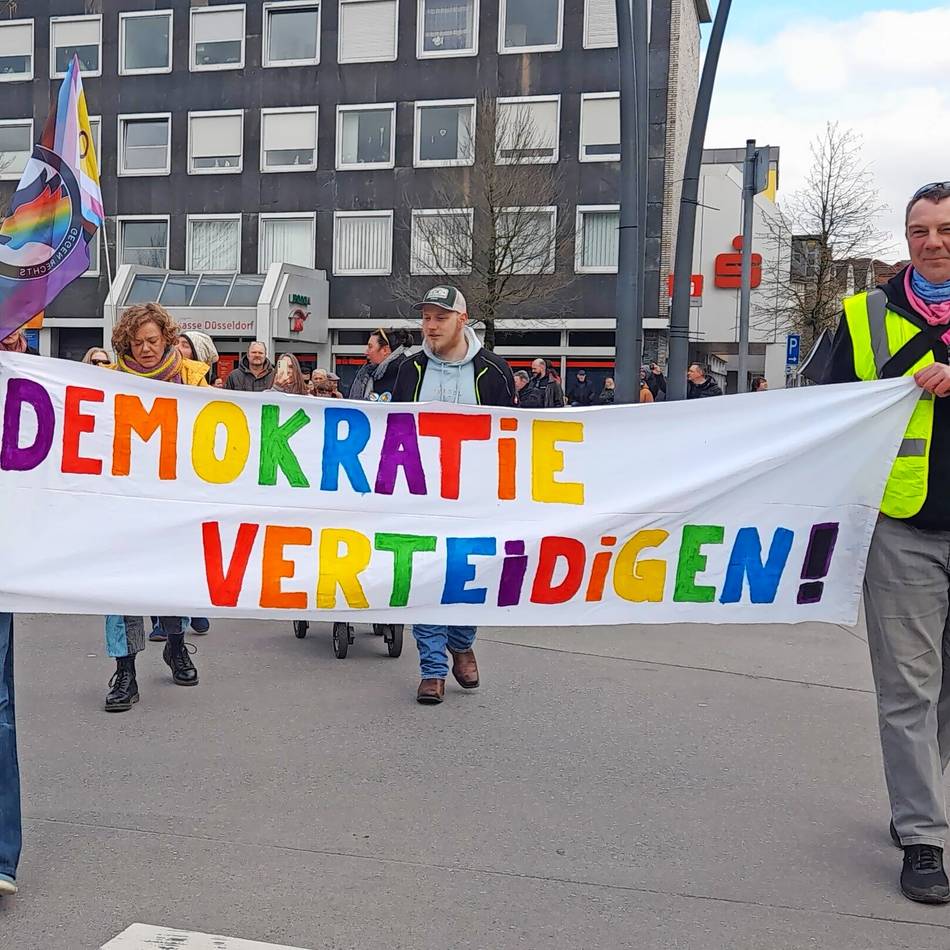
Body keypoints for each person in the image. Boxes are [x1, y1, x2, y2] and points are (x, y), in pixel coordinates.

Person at [827, 182, 950, 904]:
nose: (932, 241)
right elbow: (824, 414)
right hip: (901, 527)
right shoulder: (863, 315)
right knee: (909, 690)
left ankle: (921, 804)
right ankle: (923, 836)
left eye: (944, 229)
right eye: (918, 231)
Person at [393, 285, 515, 704]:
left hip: (474, 500)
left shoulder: (494, 372)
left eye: (440, 318)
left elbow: (511, 437)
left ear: (463, 320)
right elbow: (391, 432)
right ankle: (433, 670)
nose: (430, 326)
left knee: (468, 577)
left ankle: (461, 640)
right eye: (425, 317)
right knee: (425, 579)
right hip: (420, 496)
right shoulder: (407, 371)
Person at [104, 303, 209, 712]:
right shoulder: (107, 381)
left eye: (152, 340)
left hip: (176, 497)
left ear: (166, 338)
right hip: (124, 498)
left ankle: (176, 645)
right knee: (119, 585)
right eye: (137, 342)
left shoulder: (194, 381)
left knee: (174, 578)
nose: (146, 349)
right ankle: (124, 669)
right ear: (125, 344)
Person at [349, 327, 412, 401]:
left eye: (370, 347)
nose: (366, 352)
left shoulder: (404, 374)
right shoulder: (372, 373)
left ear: (385, 350)